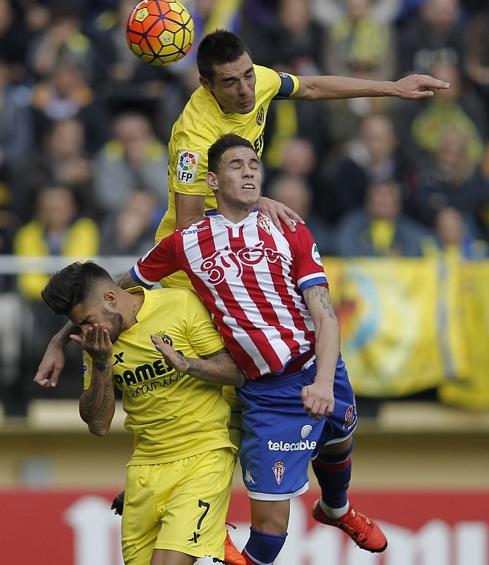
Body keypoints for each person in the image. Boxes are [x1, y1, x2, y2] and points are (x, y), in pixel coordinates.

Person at [35, 28, 449, 386]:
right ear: (205, 84)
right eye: (231, 82)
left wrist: (392, 87)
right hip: (192, 263)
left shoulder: (257, 81)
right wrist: (253, 199)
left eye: (249, 76)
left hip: (236, 231)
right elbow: (192, 229)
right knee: (239, 365)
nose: (246, 90)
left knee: (268, 354)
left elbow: (312, 87)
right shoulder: (194, 140)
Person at [126, 134, 388, 563]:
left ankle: (336, 509)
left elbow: (324, 314)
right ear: (211, 180)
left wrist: (323, 382)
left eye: (254, 164)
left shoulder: (289, 227)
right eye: (236, 165)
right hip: (268, 393)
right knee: (271, 532)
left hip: (319, 366)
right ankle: (220, 536)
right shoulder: (186, 243)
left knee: (340, 438)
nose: (249, 171)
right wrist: (68, 332)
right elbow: (126, 286)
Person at [40, 261, 246, 565]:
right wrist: (100, 364)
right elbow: (98, 424)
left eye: (86, 321)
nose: (84, 331)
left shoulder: (179, 304)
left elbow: (237, 371)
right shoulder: (97, 343)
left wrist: (187, 364)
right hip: (144, 471)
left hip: (203, 456)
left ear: (111, 298)